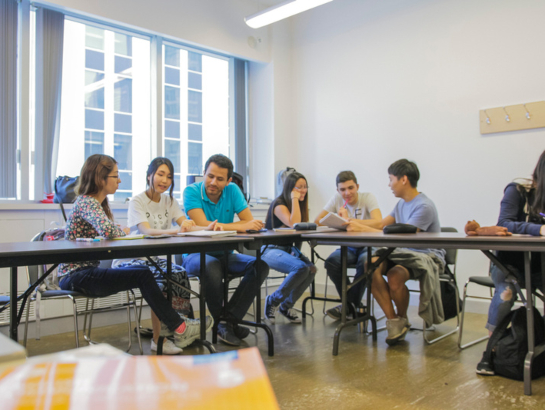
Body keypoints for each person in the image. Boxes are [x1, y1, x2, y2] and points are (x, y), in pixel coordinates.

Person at [57, 154, 203, 353]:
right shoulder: (86, 202)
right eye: (115, 176)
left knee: (148, 275)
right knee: (143, 274)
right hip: (75, 276)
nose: (119, 180)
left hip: (86, 273)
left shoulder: (97, 204)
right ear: (101, 178)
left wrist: (116, 229)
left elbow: (106, 231)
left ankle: (178, 327)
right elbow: (108, 231)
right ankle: (181, 327)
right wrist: (120, 230)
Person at [113, 157, 214, 354]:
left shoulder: (170, 201)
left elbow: (185, 223)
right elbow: (146, 231)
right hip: (132, 261)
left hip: (156, 260)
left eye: (169, 176)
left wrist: (207, 227)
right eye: (160, 174)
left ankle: (178, 331)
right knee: (159, 279)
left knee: (179, 274)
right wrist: (178, 230)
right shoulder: (137, 201)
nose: (164, 180)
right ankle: (159, 340)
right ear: (149, 175)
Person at [345, 159, 446, 346]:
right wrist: (351, 223)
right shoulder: (401, 204)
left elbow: (404, 236)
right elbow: (382, 224)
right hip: (402, 251)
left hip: (424, 255)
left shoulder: (424, 206)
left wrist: (361, 228)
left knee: (395, 275)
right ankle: (395, 321)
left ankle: (401, 317)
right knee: (370, 265)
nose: (389, 184)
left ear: (404, 179)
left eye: (391, 179)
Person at [182, 154, 269, 346]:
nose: (213, 182)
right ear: (204, 173)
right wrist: (237, 226)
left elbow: (250, 221)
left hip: (225, 254)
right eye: (210, 176)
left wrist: (231, 226)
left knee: (260, 266)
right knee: (211, 266)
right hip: (195, 255)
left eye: (220, 179)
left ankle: (226, 321)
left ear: (229, 181)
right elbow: (205, 226)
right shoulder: (191, 191)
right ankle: (226, 324)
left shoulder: (233, 190)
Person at [476, 151, 545, 375]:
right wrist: (540, 229)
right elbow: (505, 223)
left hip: (539, 266)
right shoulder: (517, 190)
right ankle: (491, 352)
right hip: (508, 264)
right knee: (506, 293)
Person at [314, 171, 382, 320]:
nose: (347, 193)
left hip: (368, 245)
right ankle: (353, 305)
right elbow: (317, 220)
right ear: (338, 190)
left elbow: (379, 222)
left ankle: (348, 304)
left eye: (351, 188)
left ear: (357, 186)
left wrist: (350, 220)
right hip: (349, 246)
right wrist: (338, 219)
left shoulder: (367, 198)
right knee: (332, 262)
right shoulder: (337, 199)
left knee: (365, 262)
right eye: (343, 189)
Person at [262, 172, 317, 324]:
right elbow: (295, 223)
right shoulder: (279, 204)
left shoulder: (298, 205)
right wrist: (294, 198)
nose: (303, 190)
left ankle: (286, 306)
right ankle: (273, 300)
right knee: (300, 267)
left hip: (286, 250)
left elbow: (298, 230)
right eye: (299, 187)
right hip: (269, 249)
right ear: (290, 188)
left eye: (305, 187)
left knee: (310, 269)